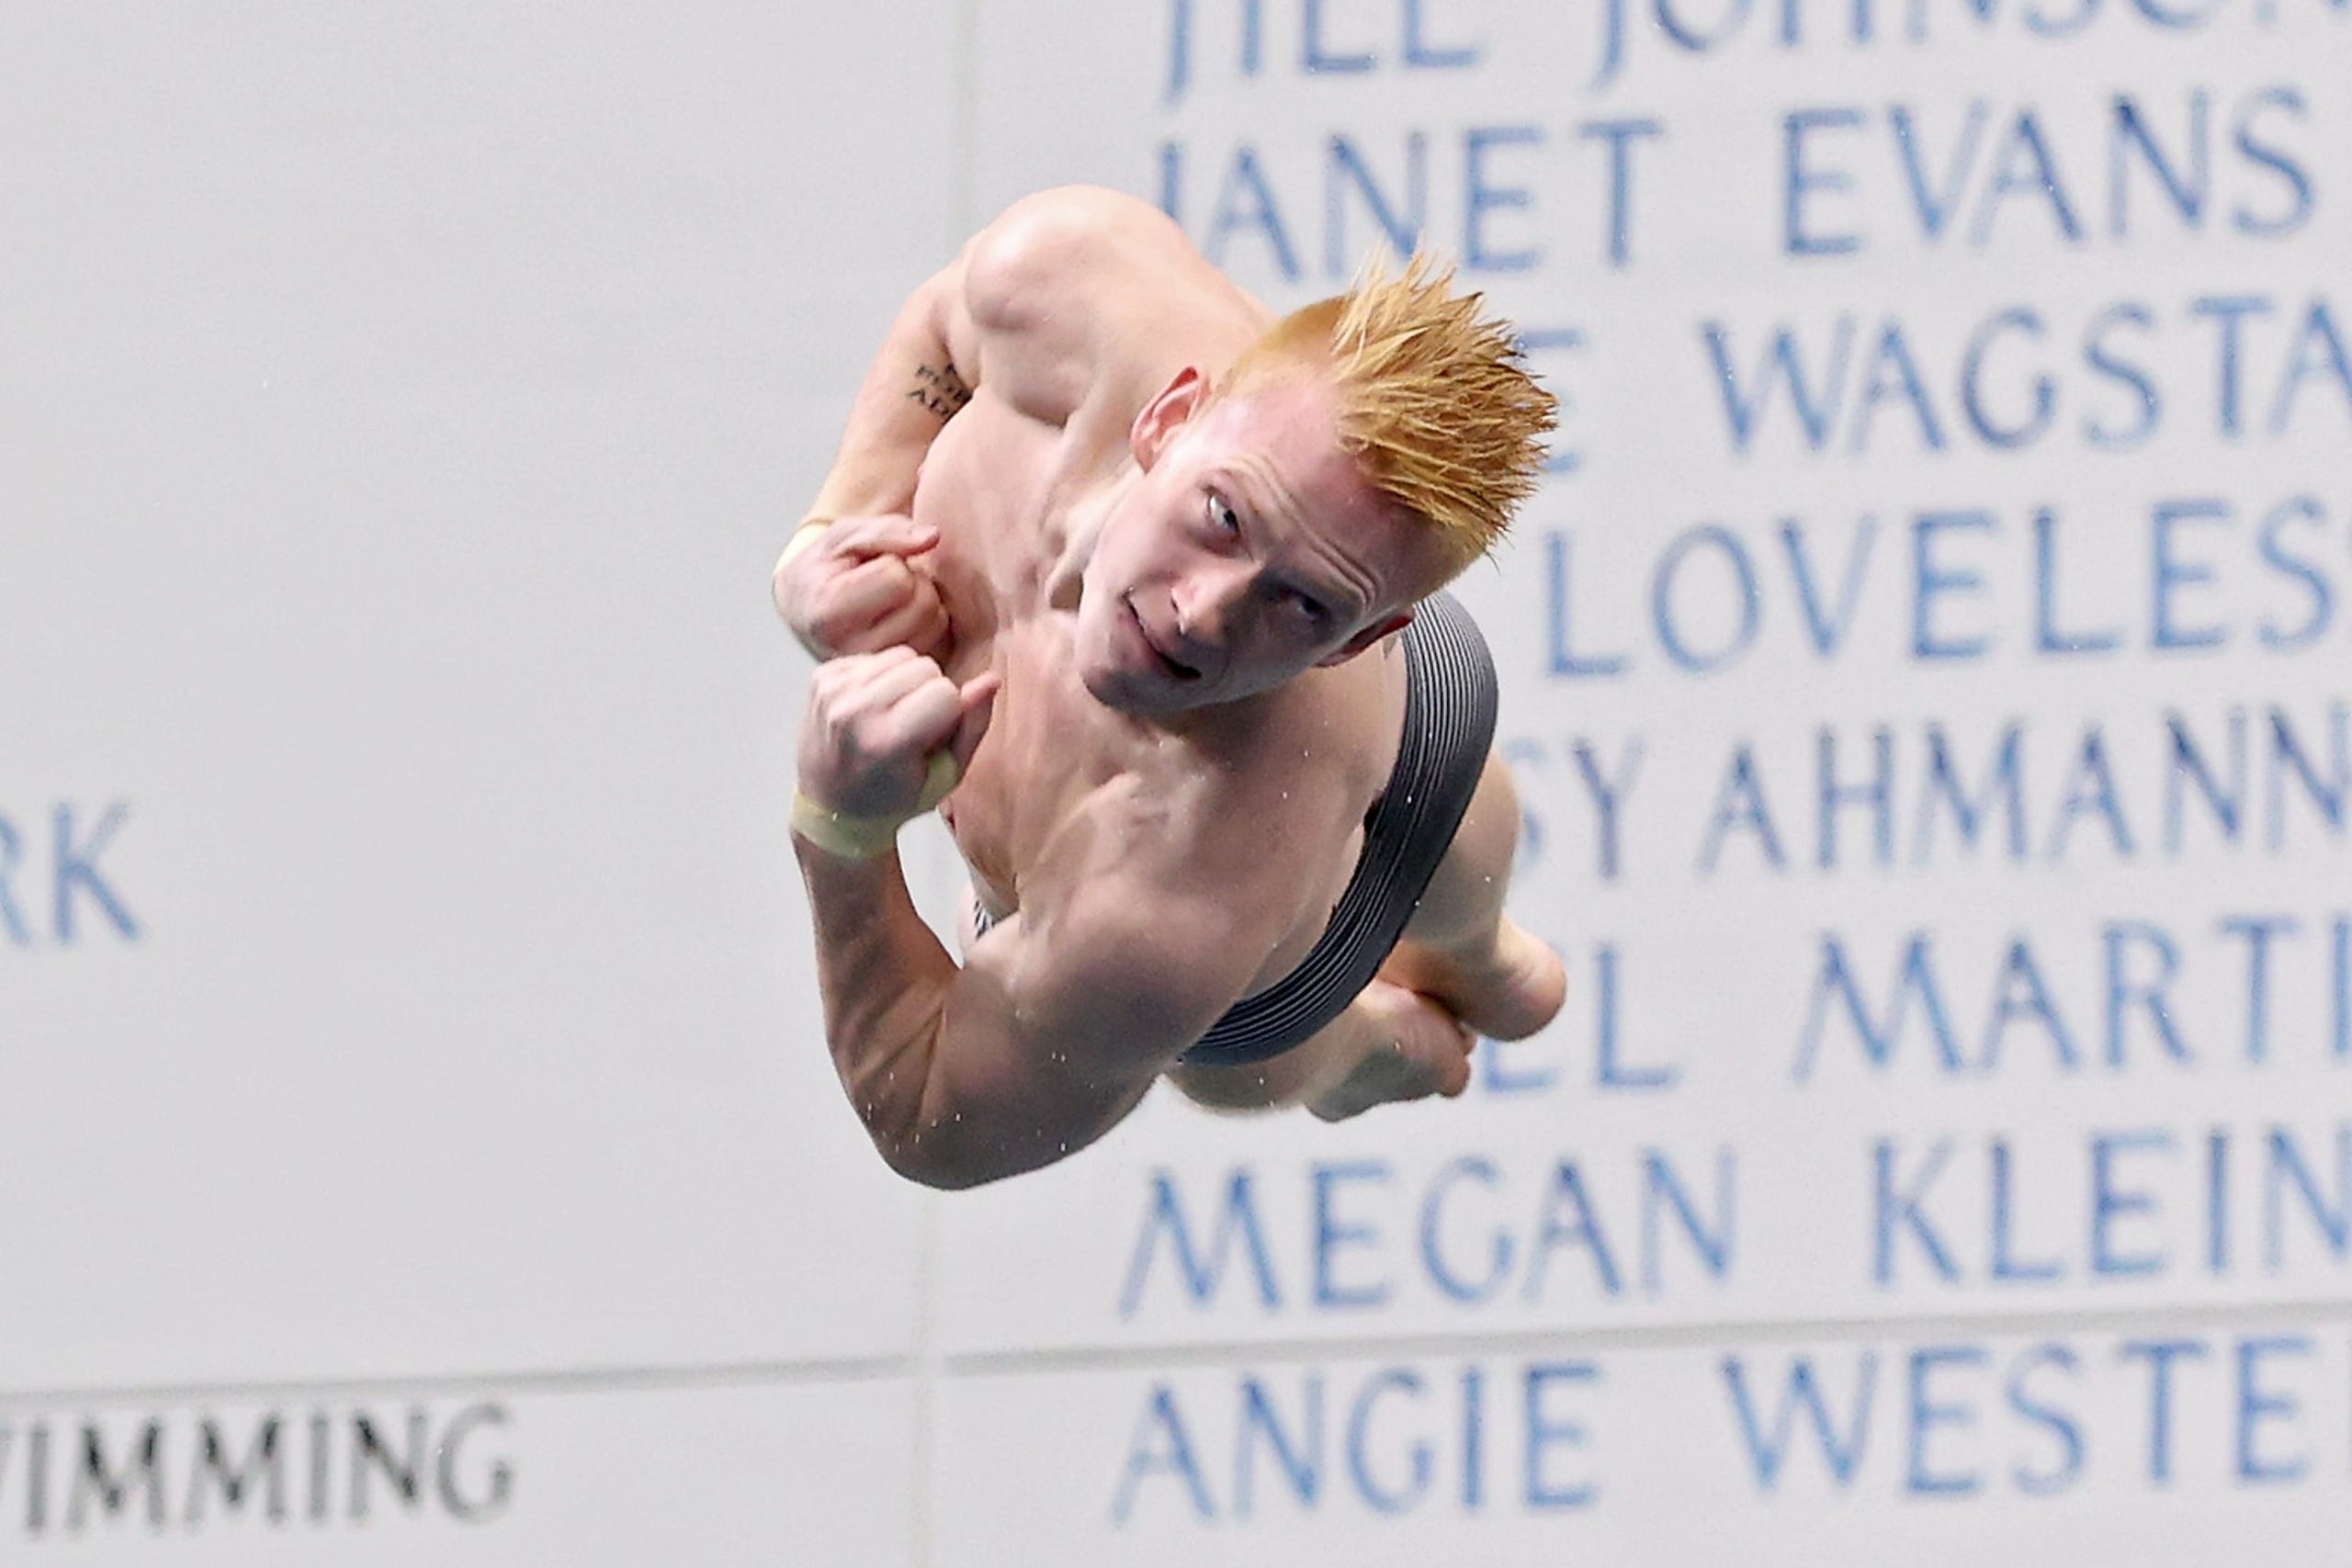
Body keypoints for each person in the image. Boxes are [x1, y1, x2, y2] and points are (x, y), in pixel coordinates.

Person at [776, 185, 1565, 1190]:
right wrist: (830, 530)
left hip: (1385, 742)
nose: (1200, 614)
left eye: (1300, 604)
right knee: (1259, 1057)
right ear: (1168, 418)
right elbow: (948, 318)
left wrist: (841, 832)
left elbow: (933, 1117)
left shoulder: (1164, 900)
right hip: (1346, 811)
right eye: (1224, 519)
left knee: (1334, 1010)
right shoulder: (1069, 280)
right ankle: (1417, 1020)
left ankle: (1470, 979)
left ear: (1360, 639)